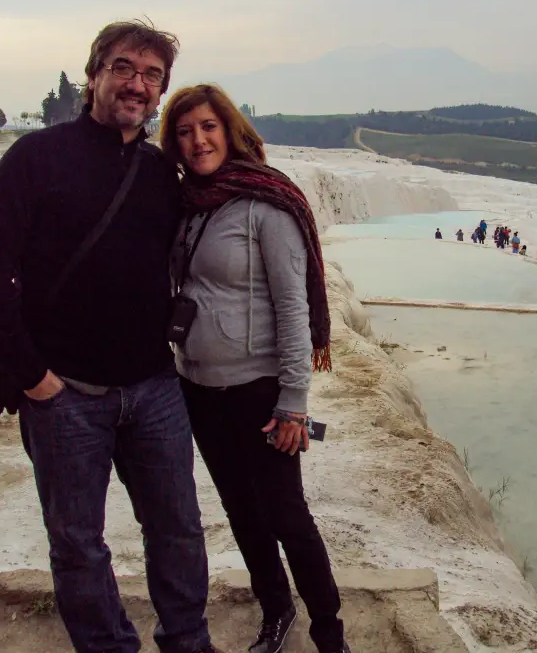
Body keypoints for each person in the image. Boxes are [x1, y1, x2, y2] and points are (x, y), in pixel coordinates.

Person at [0, 22, 219, 653]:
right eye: (124, 68)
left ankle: (188, 642)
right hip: (64, 394)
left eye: (153, 75)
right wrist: (32, 377)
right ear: (94, 75)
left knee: (179, 530)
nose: (137, 84)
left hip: (154, 388)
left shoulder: (160, 172)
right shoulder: (35, 158)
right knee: (78, 544)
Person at [160, 84, 351, 653]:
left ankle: (330, 634)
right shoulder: (189, 204)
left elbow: (293, 308)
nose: (198, 140)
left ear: (230, 130)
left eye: (208, 127)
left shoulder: (265, 205)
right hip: (198, 387)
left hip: (260, 391)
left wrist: (293, 403)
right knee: (241, 510)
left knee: (286, 514)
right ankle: (276, 611)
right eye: (185, 131)